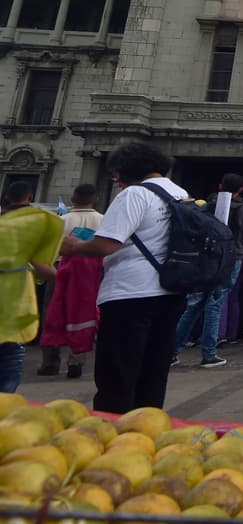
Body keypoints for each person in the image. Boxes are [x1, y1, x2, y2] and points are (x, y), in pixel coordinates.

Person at [56, 142, 189, 413]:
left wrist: (73, 247)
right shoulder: (180, 193)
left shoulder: (135, 195)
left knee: (117, 374)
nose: (115, 180)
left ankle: (113, 432)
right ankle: (146, 429)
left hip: (130, 294)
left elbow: (106, 245)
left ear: (129, 168)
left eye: (116, 173)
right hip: (170, 291)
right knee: (153, 371)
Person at [170, 174, 243, 369]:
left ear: (221, 186)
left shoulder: (206, 208)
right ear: (241, 189)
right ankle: (208, 354)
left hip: (207, 258)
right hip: (232, 258)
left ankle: (171, 352)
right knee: (215, 304)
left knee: (194, 304)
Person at [38, 184, 104, 379]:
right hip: (91, 273)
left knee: (52, 312)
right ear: (96, 199)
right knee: (84, 313)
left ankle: (50, 362)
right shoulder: (104, 220)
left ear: (73, 199)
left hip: (60, 270)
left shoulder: (61, 220)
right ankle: (76, 360)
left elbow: (49, 249)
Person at [0, 188, 60, 393]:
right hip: (12, 305)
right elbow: (44, 268)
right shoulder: (26, 227)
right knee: (10, 357)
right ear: (29, 199)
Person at [219, 175, 243, 346]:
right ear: (241, 189)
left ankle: (216, 334)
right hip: (238, 256)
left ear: (220, 187)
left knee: (216, 296)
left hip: (216, 255)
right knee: (233, 296)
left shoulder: (210, 207)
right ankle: (232, 334)